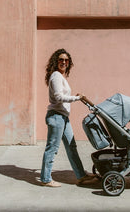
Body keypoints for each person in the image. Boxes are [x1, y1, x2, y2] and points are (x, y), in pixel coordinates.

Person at [40, 48, 97, 188]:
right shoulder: (56, 76)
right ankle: (45, 179)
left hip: (63, 118)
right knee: (52, 148)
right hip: (56, 117)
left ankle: (81, 176)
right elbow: (59, 97)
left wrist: (76, 97)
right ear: (56, 61)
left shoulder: (60, 76)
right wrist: (77, 98)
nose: (64, 62)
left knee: (71, 146)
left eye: (66, 60)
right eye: (61, 59)